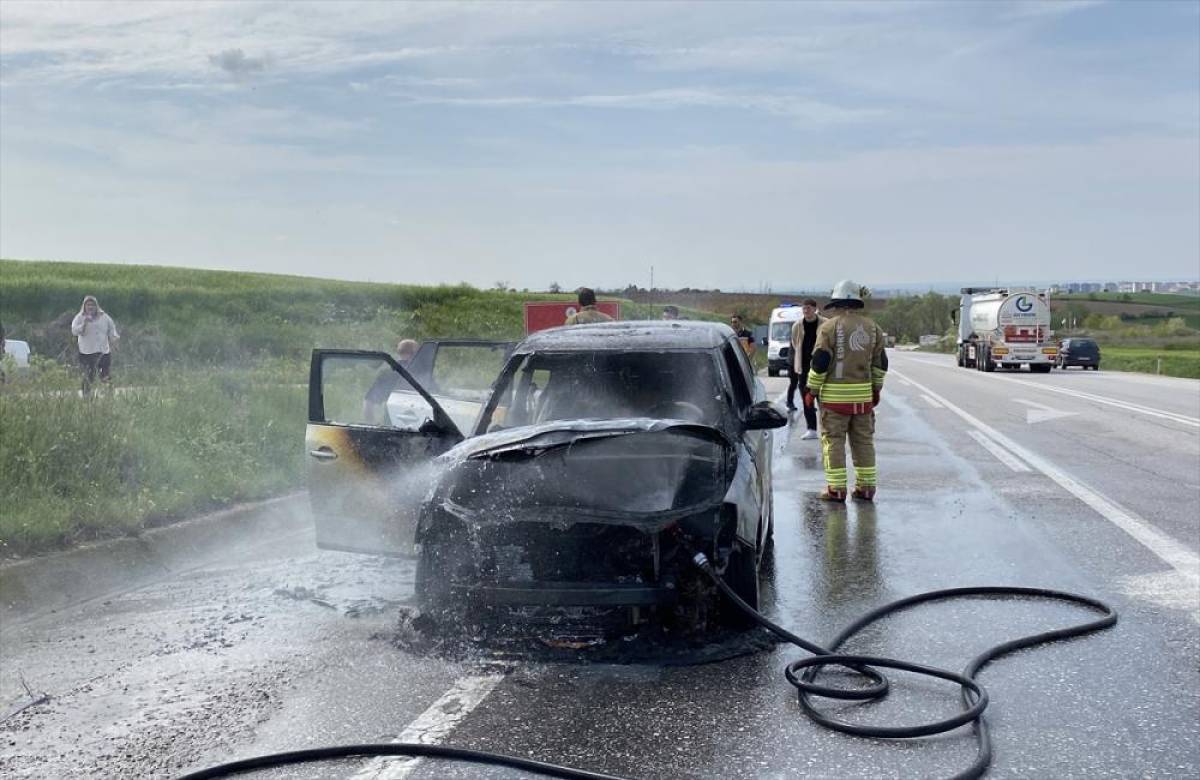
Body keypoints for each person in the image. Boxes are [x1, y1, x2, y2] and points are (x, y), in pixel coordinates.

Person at [805, 280, 887, 502]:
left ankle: (836, 489)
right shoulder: (873, 328)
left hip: (834, 402)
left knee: (833, 442)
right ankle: (866, 487)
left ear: (837, 302)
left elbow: (820, 362)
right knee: (863, 442)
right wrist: (876, 389)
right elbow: (880, 364)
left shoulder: (829, 328)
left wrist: (811, 390)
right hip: (863, 400)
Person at [787, 299, 825, 438]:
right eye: (804, 308)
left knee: (823, 399)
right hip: (803, 367)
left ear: (815, 309)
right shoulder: (797, 326)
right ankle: (812, 429)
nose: (806, 311)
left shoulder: (825, 324)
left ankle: (826, 428)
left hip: (821, 367)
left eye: (808, 308)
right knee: (807, 398)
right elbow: (794, 344)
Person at [70, 295, 119, 396]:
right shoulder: (80, 317)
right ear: (84, 306)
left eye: (92, 305)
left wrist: (114, 342)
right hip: (86, 352)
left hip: (103, 352)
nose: (90, 307)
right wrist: (84, 323)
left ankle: (110, 395)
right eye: (88, 305)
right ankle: (87, 398)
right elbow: (74, 331)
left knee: (105, 375)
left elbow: (112, 330)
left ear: (96, 306)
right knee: (88, 376)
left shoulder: (104, 317)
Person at [362, 339, 419, 424]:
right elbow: (369, 402)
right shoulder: (389, 375)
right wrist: (372, 425)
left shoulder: (388, 373)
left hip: (393, 428)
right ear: (415, 354)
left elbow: (368, 403)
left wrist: (372, 425)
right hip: (415, 428)